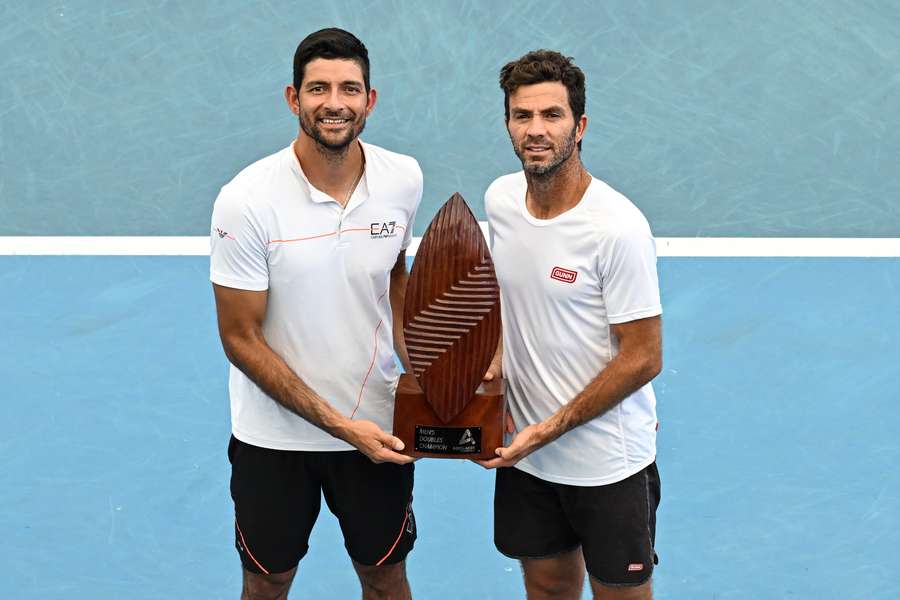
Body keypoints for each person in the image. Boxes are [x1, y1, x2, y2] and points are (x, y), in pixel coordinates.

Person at [209, 28, 422, 600]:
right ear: (293, 97)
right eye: (318, 88)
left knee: (384, 577)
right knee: (268, 580)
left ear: (370, 100)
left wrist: (424, 371)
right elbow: (240, 337)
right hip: (273, 438)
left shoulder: (403, 179)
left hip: (378, 426)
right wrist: (339, 425)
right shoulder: (246, 199)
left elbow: (394, 276)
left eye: (350, 88)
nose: (335, 102)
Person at [479, 50, 664, 600]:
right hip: (526, 453)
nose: (536, 130)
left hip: (607, 461)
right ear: (508, 123)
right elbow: (515, 300)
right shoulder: (501, 201)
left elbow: (644, 355)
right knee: (548, 587)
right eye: (522, 116)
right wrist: (492, 365)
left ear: (579, 126)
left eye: (552, 116)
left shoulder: (617, 229)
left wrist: (549, 427)